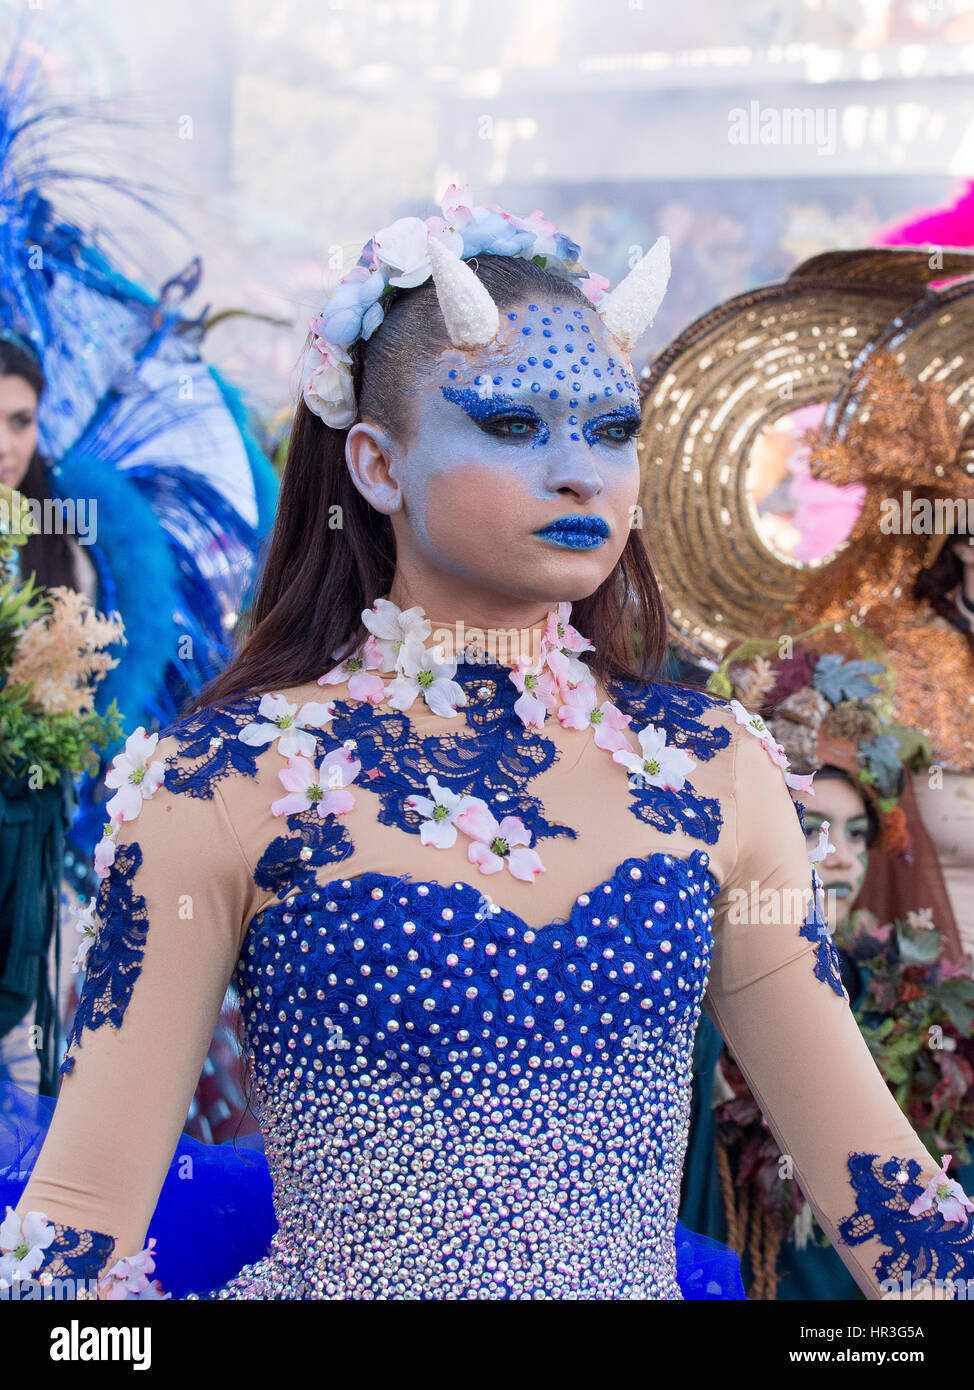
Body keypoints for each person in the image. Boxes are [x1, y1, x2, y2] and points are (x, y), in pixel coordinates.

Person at [3, 188, 972, 1301]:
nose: (579, 472)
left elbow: (883, 1196)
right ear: (374, 465)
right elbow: (70, 1237)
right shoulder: (226, 780)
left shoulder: (714, 767)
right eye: (512, 424)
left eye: (612, 429)